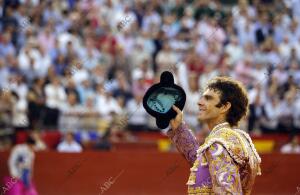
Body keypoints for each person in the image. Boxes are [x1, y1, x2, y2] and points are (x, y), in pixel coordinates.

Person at [167, 77, 261, 194]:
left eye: (208, 98)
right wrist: (179, 129)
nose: (199, 102)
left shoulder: (220, 143)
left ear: (224, 107)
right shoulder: (234, 138)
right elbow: (207, 167)